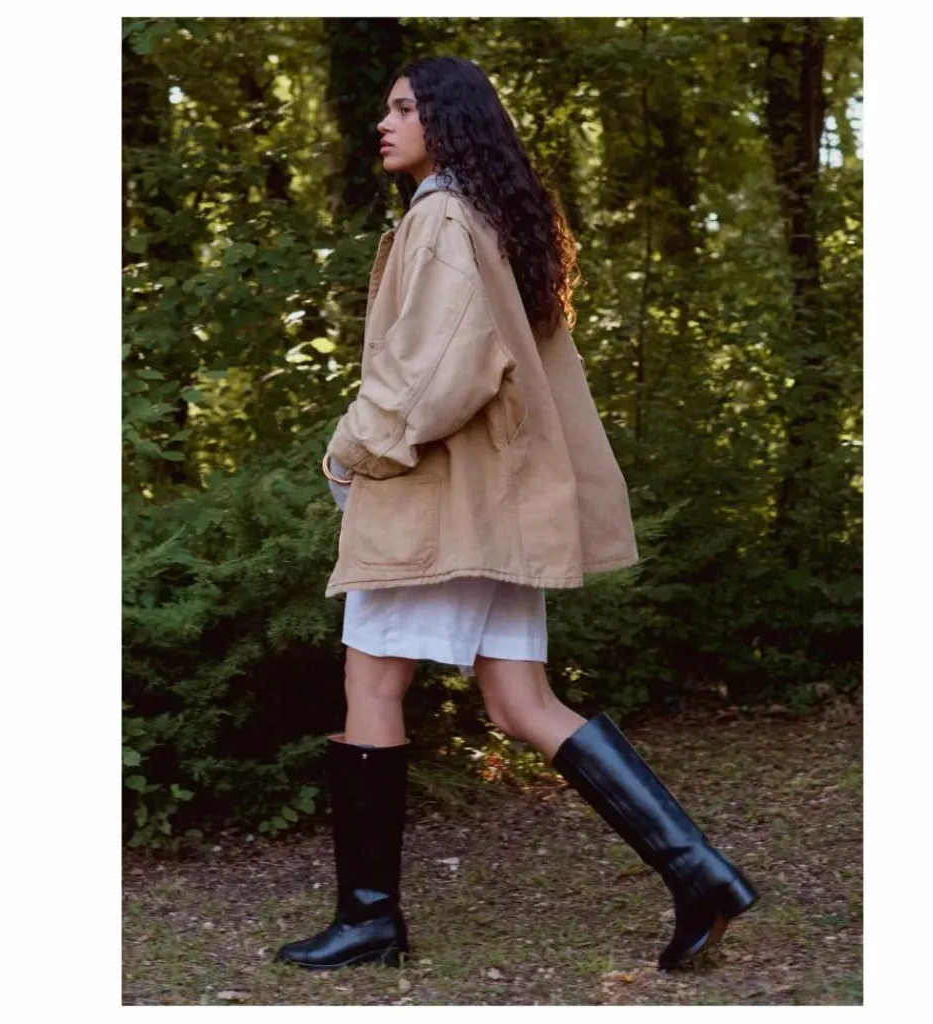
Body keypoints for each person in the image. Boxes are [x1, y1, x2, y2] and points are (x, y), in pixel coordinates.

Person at [276, 55, 756, 976]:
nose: (385, 123)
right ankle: (700, 874)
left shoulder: (441, 218)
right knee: (520, 701)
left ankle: (370, 920)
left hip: (440, 504)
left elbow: (436, 371)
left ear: (447, 121)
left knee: (370, 685)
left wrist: (352, 448)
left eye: (405, 108)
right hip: (495, 505)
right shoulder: (489, 217)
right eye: (385, 109)